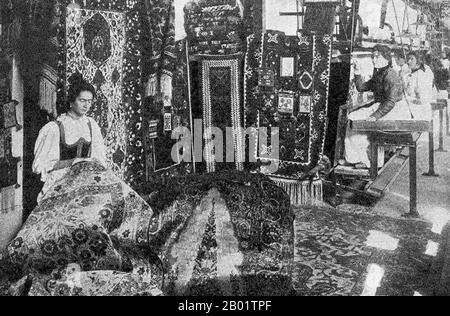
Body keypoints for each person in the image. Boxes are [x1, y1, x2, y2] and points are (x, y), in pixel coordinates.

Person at [32, 75, 107, 203]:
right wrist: (74, 162)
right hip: (61, 182)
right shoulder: (55, 128)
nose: (86, 106)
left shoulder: (91, 125)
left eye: (89, 101)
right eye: (82, 100)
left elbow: (99, 159)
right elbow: (42, 165)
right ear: (71, 102)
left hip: (84, 181)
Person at [344, 45, 412, 169]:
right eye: (372, 57)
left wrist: (375, 116)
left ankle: (366, 161)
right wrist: (357, 71)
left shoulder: (391, 75)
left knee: (357, 121)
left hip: (394, 110)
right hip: (384, 106)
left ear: (386, 58)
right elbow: (362, 87)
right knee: (352, 117)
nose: (374, 60)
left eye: (377, 56)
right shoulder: (380, 73)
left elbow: (391, 101)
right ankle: (360, 158)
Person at [403, 51, 434, 121]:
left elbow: (422, 97)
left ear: (418, 60)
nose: (408, 61)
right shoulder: (409, 74)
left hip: (421, 111)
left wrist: (407, 98)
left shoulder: (422, 74)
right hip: (412, 109)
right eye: (408, 59)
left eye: (412, 59)